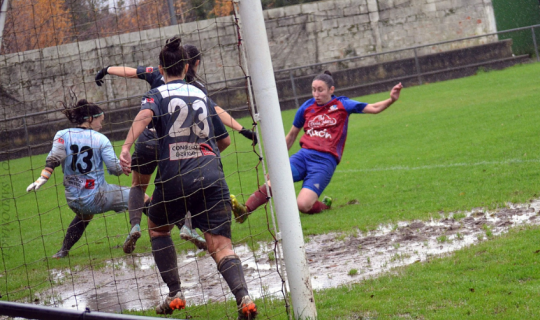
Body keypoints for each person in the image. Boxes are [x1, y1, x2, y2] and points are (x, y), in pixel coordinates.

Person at [119, 36, 257, 319]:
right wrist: (201, 153)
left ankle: (175, 293)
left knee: (158, 228)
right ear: (185, 67)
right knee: (221, 246)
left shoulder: (157, 94)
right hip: (212, 176)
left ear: (161, 67)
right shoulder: (201, 95)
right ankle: (244, 298)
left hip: (174, 178)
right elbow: (224, 141)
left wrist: (125, 146)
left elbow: (145, 115)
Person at [95, 45, 257, 254]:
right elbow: (216, 110)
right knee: (188, 179)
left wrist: (107, 69)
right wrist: (242, 129)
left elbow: (131, 71)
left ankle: (135, 225)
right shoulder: (196, 87)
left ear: (164, 66)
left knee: (137, 186)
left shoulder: (156, 73)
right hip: (174, 146)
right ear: (193, 64)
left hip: (146, 140)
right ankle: (188, 227)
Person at [231, 71, 403, 221]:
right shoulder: (306, 108)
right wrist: (276, 163)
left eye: (320, 90)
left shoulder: (342, 105)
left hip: (324, 162)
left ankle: (324, 206)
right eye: (314, 90)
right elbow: (291, 136)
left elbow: (373, 107)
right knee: (274, 179)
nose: (316, 94)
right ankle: (245, 211)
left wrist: (391, 100)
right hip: (303, 156)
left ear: (331, 90)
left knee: (303, 205)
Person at [26, 99, 138, 258]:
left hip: (73, 199)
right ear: (91, 119)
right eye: (100, 120)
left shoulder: (62, 135)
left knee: (84, 216)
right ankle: (166, 227)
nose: (101, 124)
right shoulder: (100, 139)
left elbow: (53, 159)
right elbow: (114, 169)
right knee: (139, 196)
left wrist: (42, 178)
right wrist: (128, 165)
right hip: (98, 197)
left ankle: (63, 251)